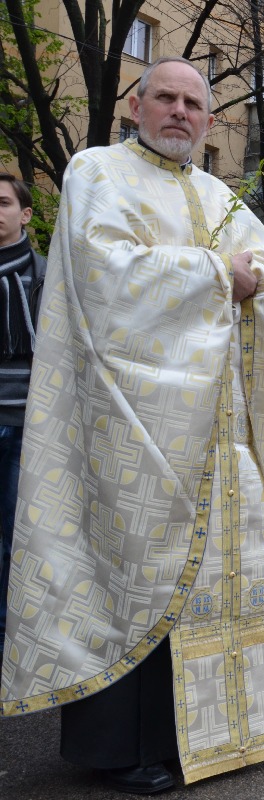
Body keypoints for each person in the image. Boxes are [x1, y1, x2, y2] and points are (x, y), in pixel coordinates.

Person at [0, 57, 264, 792]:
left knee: (218, 578)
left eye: (192, 103)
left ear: (208, 119)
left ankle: (221, 730)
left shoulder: (222, 196)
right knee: (131, 575)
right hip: (129, 430)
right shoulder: (96, 173)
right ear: (135, 108)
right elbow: (105, 275)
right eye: (163, 97)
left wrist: (258, 284)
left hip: (218, 434)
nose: (178, 112)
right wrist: (217, 275)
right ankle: (124, 748)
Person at [0, 173, 44, 655]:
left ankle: (11, 643)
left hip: (27, 425)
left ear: (25, 214)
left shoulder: (45, 275)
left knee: (20, 539)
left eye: (3, 203)